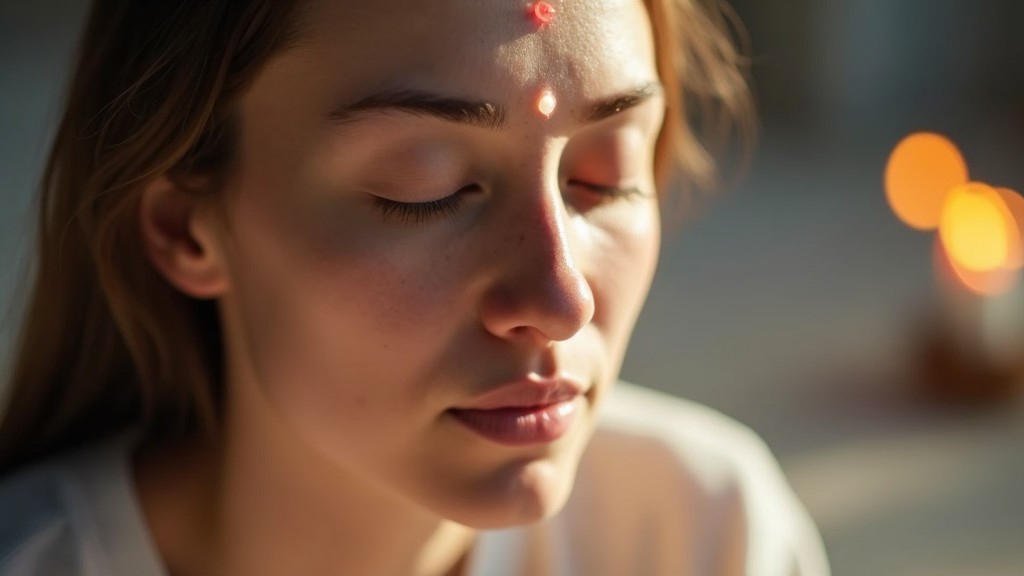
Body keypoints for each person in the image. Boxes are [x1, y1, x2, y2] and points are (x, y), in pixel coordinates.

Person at [0, 1, 829, 574]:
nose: (558, 298)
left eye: (602, 177)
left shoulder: (701, 534)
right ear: (187, 228)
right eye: (423, 189)